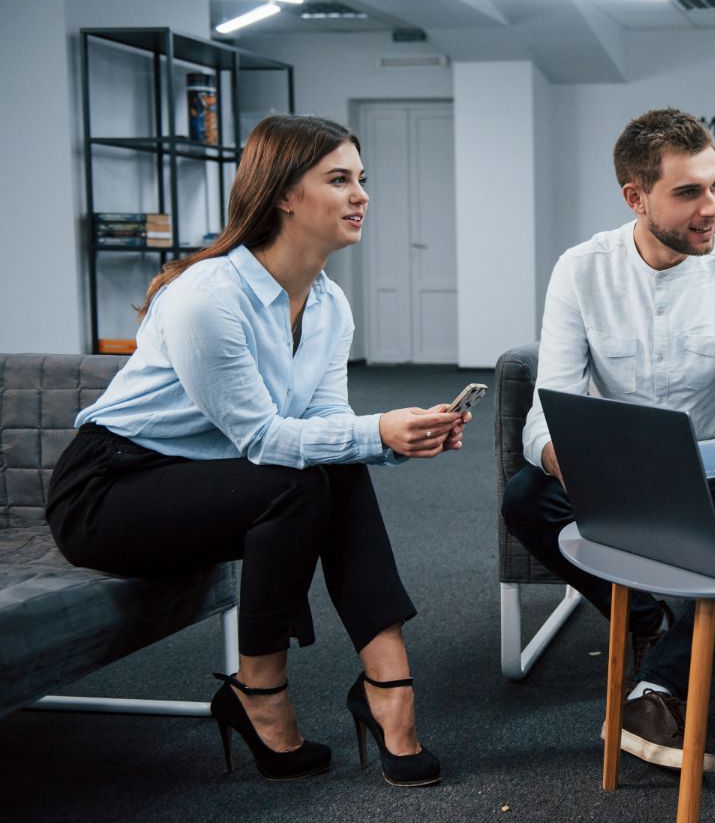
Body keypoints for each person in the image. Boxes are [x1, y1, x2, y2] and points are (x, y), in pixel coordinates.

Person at [46, 115, 461, 786]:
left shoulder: (329, 306)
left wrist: (397, 439)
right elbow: (264, 439)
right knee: (293, 483)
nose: (361, 195)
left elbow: (327, 430)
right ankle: (257, 690)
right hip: (109, 489)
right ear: (283, 195)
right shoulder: (206, 299)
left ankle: (391, 685)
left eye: (362, 179)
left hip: (206, 477)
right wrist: (378, 429)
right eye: (338, 179)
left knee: (337, 466)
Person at [501, 107, 715, 773]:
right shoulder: (580, 271)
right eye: (689, 192)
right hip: (622, 480)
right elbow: (546, 409)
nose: (713, 207)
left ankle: (660, 682)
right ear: (635, 197)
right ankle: (645, 617)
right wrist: (563, 454)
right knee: (526, 495)